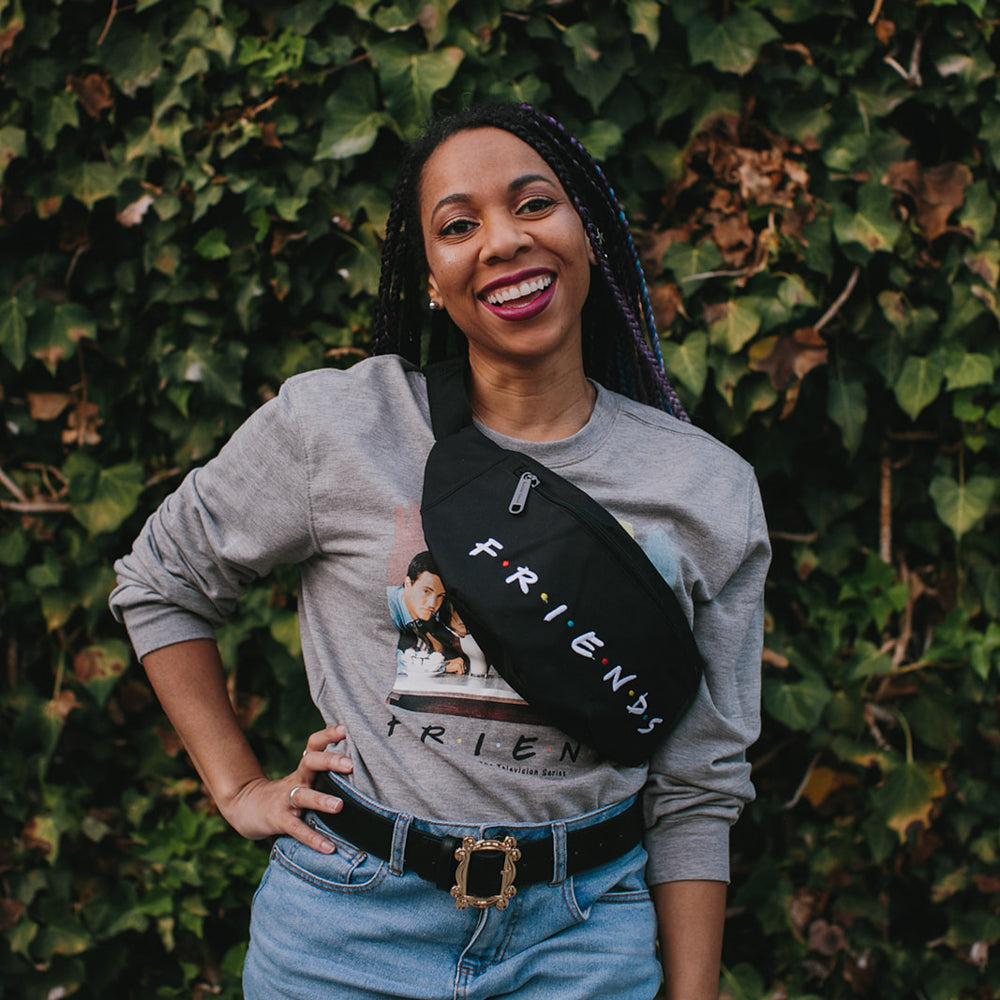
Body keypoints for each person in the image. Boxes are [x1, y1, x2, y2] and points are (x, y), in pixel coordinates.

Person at [110, 102, 770, 999]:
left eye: (534, 204)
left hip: (581, 948)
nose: (502, 240)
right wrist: (237, 790)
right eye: (459, 225)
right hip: (345, 935)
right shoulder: (340, 427)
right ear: (429, 277)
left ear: (587, 233)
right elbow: (162, 580)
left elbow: (697, 783)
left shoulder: (706, 487)